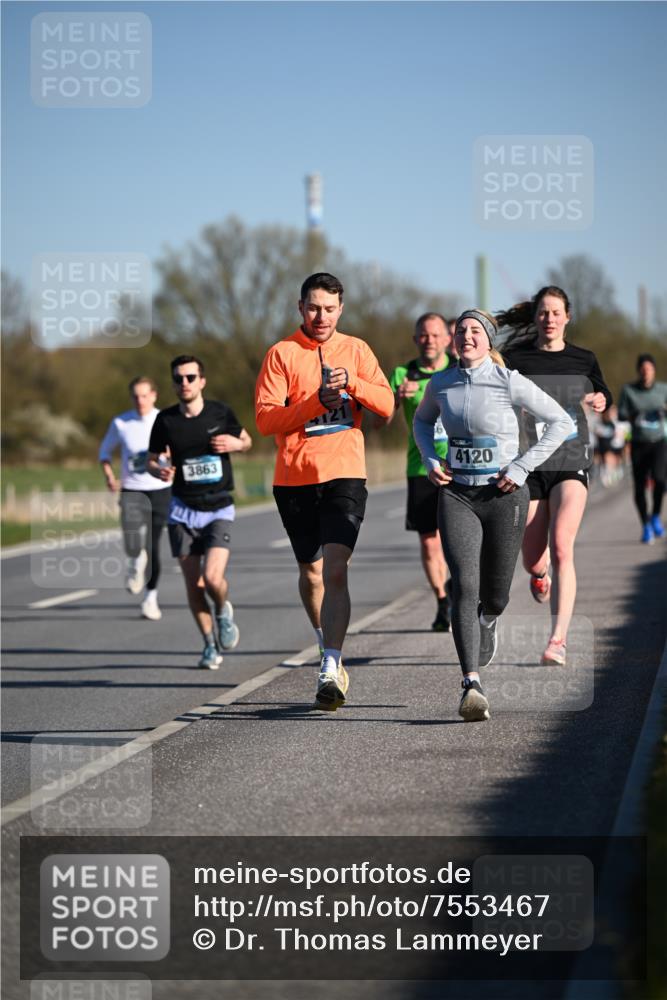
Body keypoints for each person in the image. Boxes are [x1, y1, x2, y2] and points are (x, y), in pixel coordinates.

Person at [413, 309, 573, 722]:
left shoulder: (508, 381)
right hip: (458, 494)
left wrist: (522, 466)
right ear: (453, 340)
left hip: (504, 495)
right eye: (461, 331)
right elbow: (421, 421)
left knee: (496, 594)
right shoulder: (441, 383)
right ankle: (471, 683)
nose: (466, 336)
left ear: (488, 341)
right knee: (464, 583)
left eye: (475, 331)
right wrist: (431, 459)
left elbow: (560, 421)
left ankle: (489, 618)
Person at [255, 272, 394, 710]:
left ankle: (331, 666)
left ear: (341, 309)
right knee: (312, 573)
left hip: (345, 474)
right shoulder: (281, 354)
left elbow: (387, 407)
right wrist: (317, 400)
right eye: (313, 307)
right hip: (294, 478)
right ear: (301, 308)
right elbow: (265, 421)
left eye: (330, 308)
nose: (321, 316)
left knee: (336, 569)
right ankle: (324, 643)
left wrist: (351, 383)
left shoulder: (357, 350)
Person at [499, 286, 612, 665]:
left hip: (570, 457)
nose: (549, 319)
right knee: (533, 558)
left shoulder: (584, 358)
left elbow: (603, 393)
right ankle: (540, 572)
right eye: (543, 313)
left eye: (556, 312)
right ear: (535, 318)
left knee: (563, 544)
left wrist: (600, 399)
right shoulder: (515, 358)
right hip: (528, 463)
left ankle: (558, 640)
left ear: (567, 317)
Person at [147, 355, 252, 669]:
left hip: (218, 506)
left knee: (212, 578)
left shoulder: (220, 412)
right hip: (181, 511)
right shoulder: (165, 420)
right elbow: (151, 460)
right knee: (193, 586)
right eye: (178, 378)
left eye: (190, 377)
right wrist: (159, 471)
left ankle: (222, 612)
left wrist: (234, 444)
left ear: (202, 381)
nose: (184, 383)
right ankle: (209, 645)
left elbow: (246, 441)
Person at [376, 313, 453, 631]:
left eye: (435, 335)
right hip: (421, 466)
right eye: (423, 335)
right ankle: (442, 600)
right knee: (429, 543)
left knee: (461, 539)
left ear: (447, 339)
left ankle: (462, 589)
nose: (429, 340)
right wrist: (395, 399)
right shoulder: (401, 374)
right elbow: (379, 422)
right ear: (415, 339)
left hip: (460, 466)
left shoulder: (459, 369)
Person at [99, 376, 171, 621]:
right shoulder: (121, 423)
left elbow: (181, 452)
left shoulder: (165, 420)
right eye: (135, 396)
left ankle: (150, 598)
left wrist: (172, 461)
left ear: (154, 395)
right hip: (131, 490)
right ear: (131, 398)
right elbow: (104, 452)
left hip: (160, 489)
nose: (140, 401)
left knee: (153, 546)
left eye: (144, 395)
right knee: (132, 544)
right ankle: (134, 560)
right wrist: (109, 476)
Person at [617, 353, 667, 543]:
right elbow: (620, 414)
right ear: (639, 371)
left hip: (659, 442)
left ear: (654, 371)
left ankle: (655, 516)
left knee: (660, 481)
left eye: (649, 369)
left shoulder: (663, 389)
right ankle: (645, 524)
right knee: (639, 486)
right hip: (638, 443)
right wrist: (632, 414)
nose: (646, 372)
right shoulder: (629, 390)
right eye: (643, 369)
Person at [593, 404, 629, 488]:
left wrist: (624, 437)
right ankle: (607, 474)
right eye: (611, 411)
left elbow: (626, 433)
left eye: (614, 411)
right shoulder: (603, 422)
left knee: (617, 460)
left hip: (618, 444)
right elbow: (599, 433)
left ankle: (616, 472)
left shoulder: (620, 421)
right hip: (607, 444)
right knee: (608, 459)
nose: (612, 413)